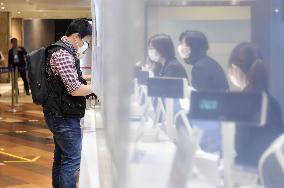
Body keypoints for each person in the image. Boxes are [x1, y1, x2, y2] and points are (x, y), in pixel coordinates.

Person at [43, 19, 94, 188]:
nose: (85, 45)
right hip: (63, 116)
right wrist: (99, 87)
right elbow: (74, 89)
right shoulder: (63, 54)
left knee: (61, 160)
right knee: (71, 162)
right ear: (76, 37)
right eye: (86, 41)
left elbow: (70, 81)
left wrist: (89, 83)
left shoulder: (63, 51)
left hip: (58, 113)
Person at [228, 42, 284, 168]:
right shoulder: (273, 102)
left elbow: (240, 149)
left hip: (252, 173)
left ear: (235, 69)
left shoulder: (240, 103)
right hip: (274, 171)